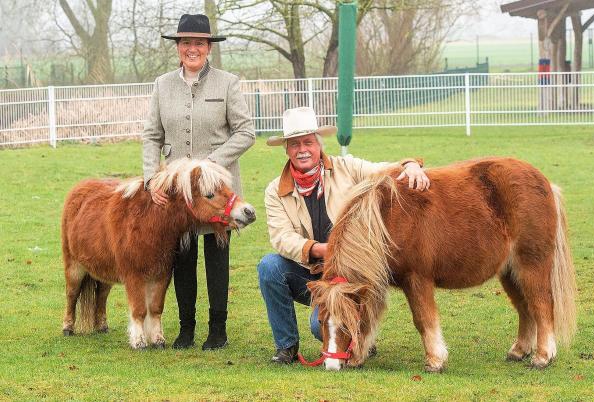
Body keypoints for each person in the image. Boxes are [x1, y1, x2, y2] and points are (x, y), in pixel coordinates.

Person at [257, 106, 430, 363]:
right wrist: (320, 249)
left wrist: (410, 164)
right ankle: (287, 346)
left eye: (308, 142)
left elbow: (383, 170)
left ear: (318, 144)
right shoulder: (275, 190)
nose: (302, 149)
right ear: (287, 150)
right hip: (312, 273)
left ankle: (360, 338)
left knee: (320, 329)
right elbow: (281, 237)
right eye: (295, 144)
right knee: (269, 266)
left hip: (351, 274)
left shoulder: (346, 167)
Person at [142, 14, 255, 350]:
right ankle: (186, 328)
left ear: (208, 48)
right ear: (178, 47)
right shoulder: (162, 85)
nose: (193, 49)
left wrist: (210, 165)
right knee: (182, 258)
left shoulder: (227, 83)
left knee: (217, 258)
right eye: (186, 43)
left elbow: (246, 131)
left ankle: (217, 329)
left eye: (199, 43)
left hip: (219, 191)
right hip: (180, 196)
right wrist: (151, 179)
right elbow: (151, 135)